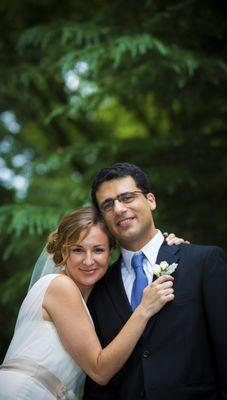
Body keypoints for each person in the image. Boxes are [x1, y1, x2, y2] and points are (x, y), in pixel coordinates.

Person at [83, 163, 227, 400]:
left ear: (151, 200)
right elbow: (99, 386)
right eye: (108, 205)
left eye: (127, 197)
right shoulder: (99, 289)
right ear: (103, 218)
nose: (119, 209)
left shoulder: (203, 262)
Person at [0, 207, 176, 400]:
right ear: (63, 252)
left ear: (110, 252)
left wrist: (168, 247)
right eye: (78, 250)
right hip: (23, 392)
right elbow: (99, 370)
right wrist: (144, 309)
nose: (89, 260)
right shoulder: (60, 286)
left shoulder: (94, 301)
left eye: (98, 250)